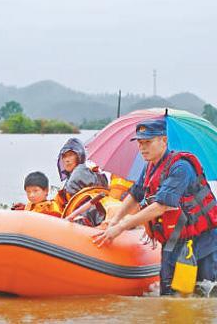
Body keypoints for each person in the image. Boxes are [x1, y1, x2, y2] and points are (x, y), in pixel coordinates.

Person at [93, 119, 217, 295]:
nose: (143, 148)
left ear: (164, 141)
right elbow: (134, 196)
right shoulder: (149, 167)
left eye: (148, 142)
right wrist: (114, 220)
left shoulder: (181, 168)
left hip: (202, 242)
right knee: (169, 295)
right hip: (173, 243)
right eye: (140, 143)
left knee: (203, 293)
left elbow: (161, 206)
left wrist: (122, 227)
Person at [55, 138, 108, 209]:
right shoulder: (79, 173)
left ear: (79, 156)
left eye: (70, 155)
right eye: (64, 156)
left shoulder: (80, 172)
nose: (67, 160)